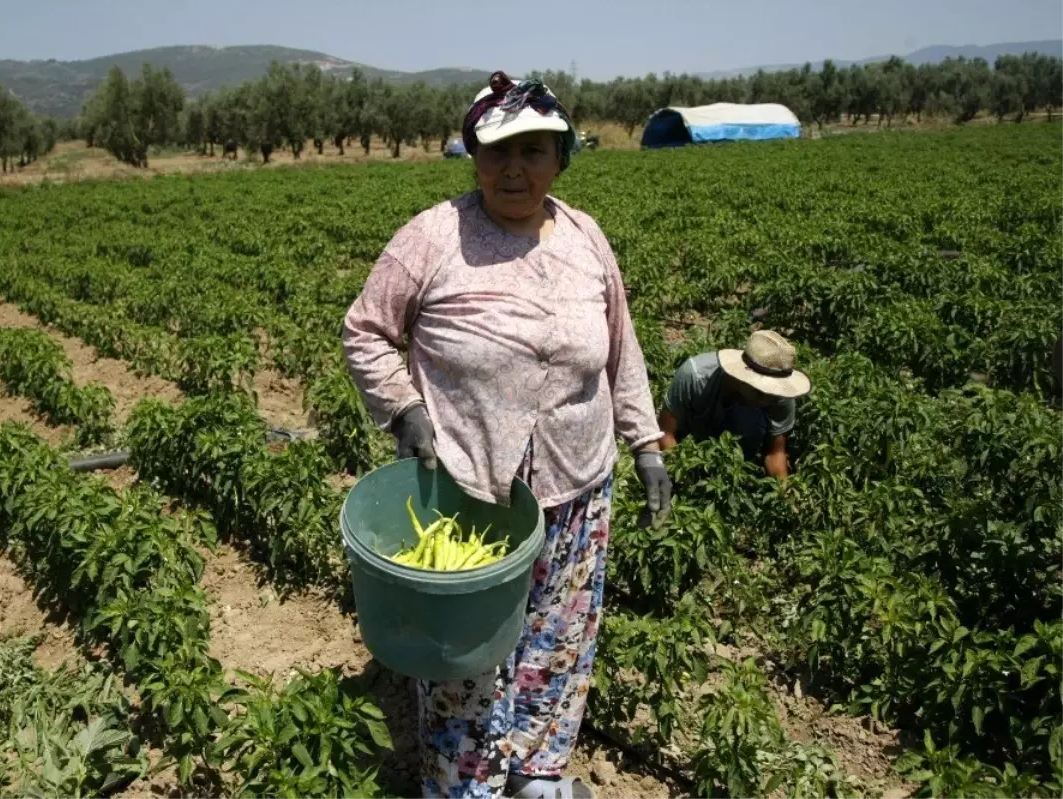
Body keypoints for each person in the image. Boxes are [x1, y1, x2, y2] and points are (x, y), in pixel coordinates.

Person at [341, 71, 669, 799]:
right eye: (497, 153)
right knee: (469, 653)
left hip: (577, 483)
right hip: (473, 488)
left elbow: (622, 348)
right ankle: (466, 785)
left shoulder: (586, 237)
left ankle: (537, 776)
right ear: (474, 157)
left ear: (560, 157)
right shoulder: (434, 236)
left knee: (559, 637)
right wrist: (403, 407)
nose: (514, 168)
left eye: (532, 150)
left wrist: (644, 441)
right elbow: (365, 331)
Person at [659, 330, 812, 479]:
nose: (767, 399)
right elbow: (666, 432)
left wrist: (783, 498)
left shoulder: (780, 394)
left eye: (771, 394)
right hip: (690, 447)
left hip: (739, 460)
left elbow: (775, 453)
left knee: (748, 419)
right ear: (742, 377)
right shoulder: (695, 376)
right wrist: (685, 479)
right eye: (761, 392)